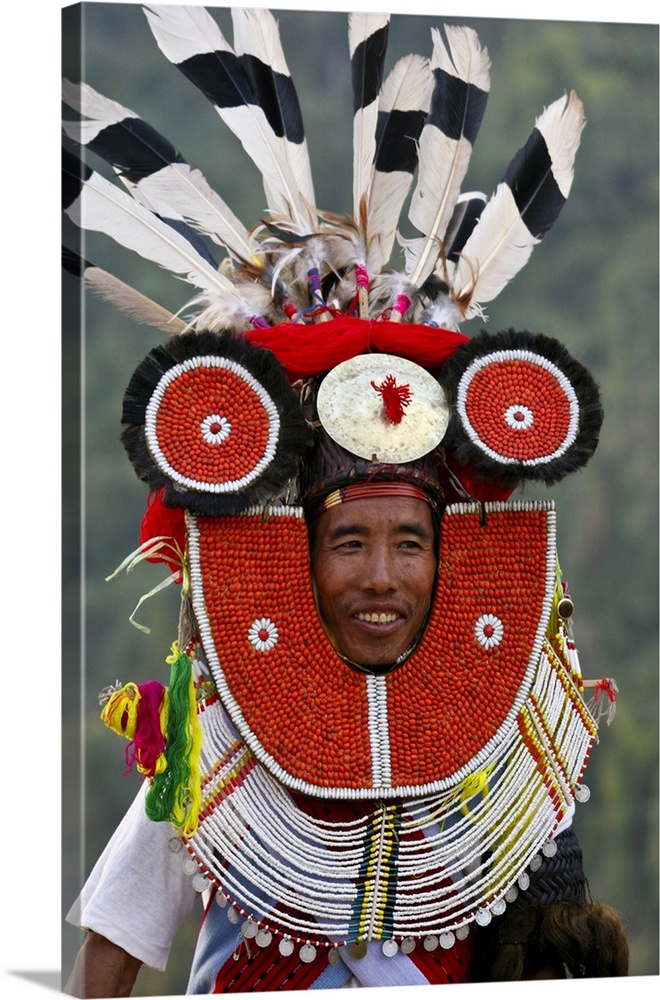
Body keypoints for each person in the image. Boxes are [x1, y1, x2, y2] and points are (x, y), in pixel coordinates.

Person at [63, 6, 629, 994]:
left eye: (409, 543)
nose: (380, 575)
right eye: (348, 541)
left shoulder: (506, 731)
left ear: (444, 556)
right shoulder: (224, 725)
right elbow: (112, 946)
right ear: (300, 554)